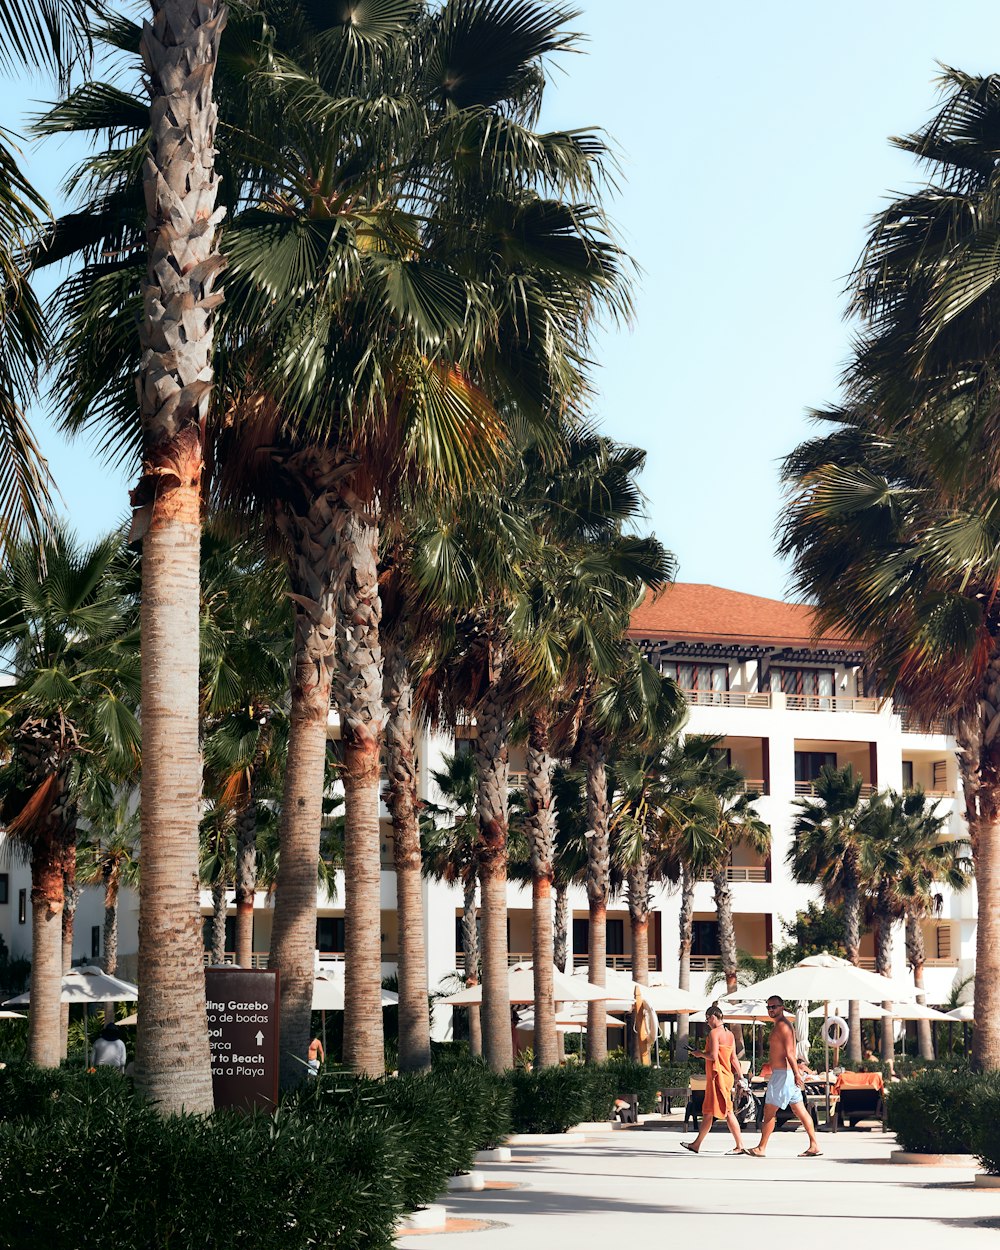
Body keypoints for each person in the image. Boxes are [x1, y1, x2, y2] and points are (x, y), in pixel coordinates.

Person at [748, 996, 822, 1157]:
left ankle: (761, 1148)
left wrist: (796, 1074)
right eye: (768, 1007)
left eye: (774, 1007)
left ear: (782, 1007)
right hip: (784, 1075)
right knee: (800, 1111)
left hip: (783, 1076)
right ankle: (814, 1145)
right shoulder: (780, 1025)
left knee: (769, 1111)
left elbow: (790, 1053)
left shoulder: (783, 1026)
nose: (771, 1010)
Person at [682, 1003, 746, 1155]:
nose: (707, 1023)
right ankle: (696, 1144)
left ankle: (740, 1145)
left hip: (718, 1077)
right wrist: (741, 1076)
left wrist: (699, 1054)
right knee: (709, 1112)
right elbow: (733, 1059)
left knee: (728, 1111)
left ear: (713, 1016)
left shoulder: (714, 1034)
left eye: (707, 1019)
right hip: (726, 1076)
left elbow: (712, 1056)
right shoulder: (729, 1034)